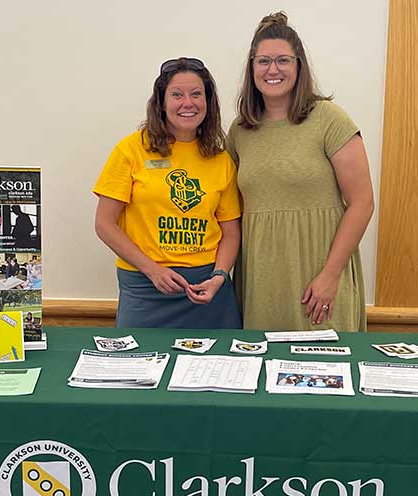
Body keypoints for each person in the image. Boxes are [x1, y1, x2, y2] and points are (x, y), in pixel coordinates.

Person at [227, 12, 374, 331]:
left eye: (283, 60)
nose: (273, 69)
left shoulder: (330, 120)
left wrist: (330, 275)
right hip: (260, 281)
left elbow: (362, 203)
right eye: (263, 61)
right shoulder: (240, 131)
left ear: (299, 66)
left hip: (318, 277)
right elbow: (226, 209)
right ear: (252, 67)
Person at [94, 57, 242, 329]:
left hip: (208, 293)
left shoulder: (221, 160)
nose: (188, 103)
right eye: (177, 95)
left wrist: (219, 276)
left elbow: (231, 232)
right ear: (161, 102)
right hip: (146, 290)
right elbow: (104, 224)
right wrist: (153, 270)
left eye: (197, 94)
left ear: (208, 102)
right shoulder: (131, 150)